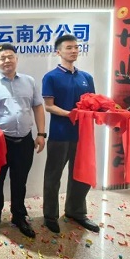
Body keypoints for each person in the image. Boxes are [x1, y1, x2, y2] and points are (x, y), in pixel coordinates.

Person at [0, 44, 46, 238]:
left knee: (20, 181)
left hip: (24, 140)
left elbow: (38, 107)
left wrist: (41, 134)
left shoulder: (29, 81)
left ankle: (18, 216)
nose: (7, 60)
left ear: (17, 59)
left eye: (10, 57)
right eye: (2, 58)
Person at [42, 34, 99, 234]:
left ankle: (76, 211)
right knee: (53, 176)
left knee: (80, 175)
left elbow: (93, 103)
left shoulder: (86, 78)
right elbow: (49, 106)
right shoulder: (51, 77)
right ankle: (50, 215)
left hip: (82, 135)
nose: (74, 51)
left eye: (76, 47)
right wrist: (70, 114)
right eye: (69, 48)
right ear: (58, 52)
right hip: (60, 134)